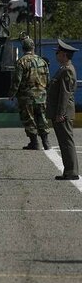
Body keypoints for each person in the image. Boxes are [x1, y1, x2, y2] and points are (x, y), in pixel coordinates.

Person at [9, 35, 50, 150]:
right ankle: (46, 143)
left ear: (23, 49)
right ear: (33, 48)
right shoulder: (42, 61)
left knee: (29, 119)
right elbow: (48, 79)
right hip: (41, 96)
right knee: (42, 117)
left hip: (27, 97)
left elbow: (17, 80)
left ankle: (34, 143)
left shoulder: (21, 62)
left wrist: (12, 93)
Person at [48, 39, 79, 180]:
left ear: (64, 55)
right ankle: (68, 171)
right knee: (64, 142)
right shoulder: (64, 69)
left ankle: (72, 171)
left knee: (66, 142)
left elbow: (65, 94)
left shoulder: (67, 71)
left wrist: (60, 113)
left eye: (58, 53)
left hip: (63, 113)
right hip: (61, 112)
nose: (56, 55)